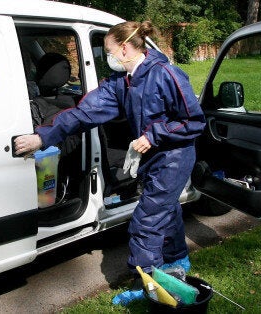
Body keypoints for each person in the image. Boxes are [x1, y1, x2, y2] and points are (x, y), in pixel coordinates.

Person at [14, 21, 206, 304]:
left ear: (125, 48)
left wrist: (153, 135)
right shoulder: (122, 82)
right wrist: (42, 138)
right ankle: (177, 262)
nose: (108, 57)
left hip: (174, 156)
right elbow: (82, 113)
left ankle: (150, 289)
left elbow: (193, 121)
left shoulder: (167, 74)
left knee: (146, 222)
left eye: (109, 50)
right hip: (151, 157)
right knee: (166, 210)